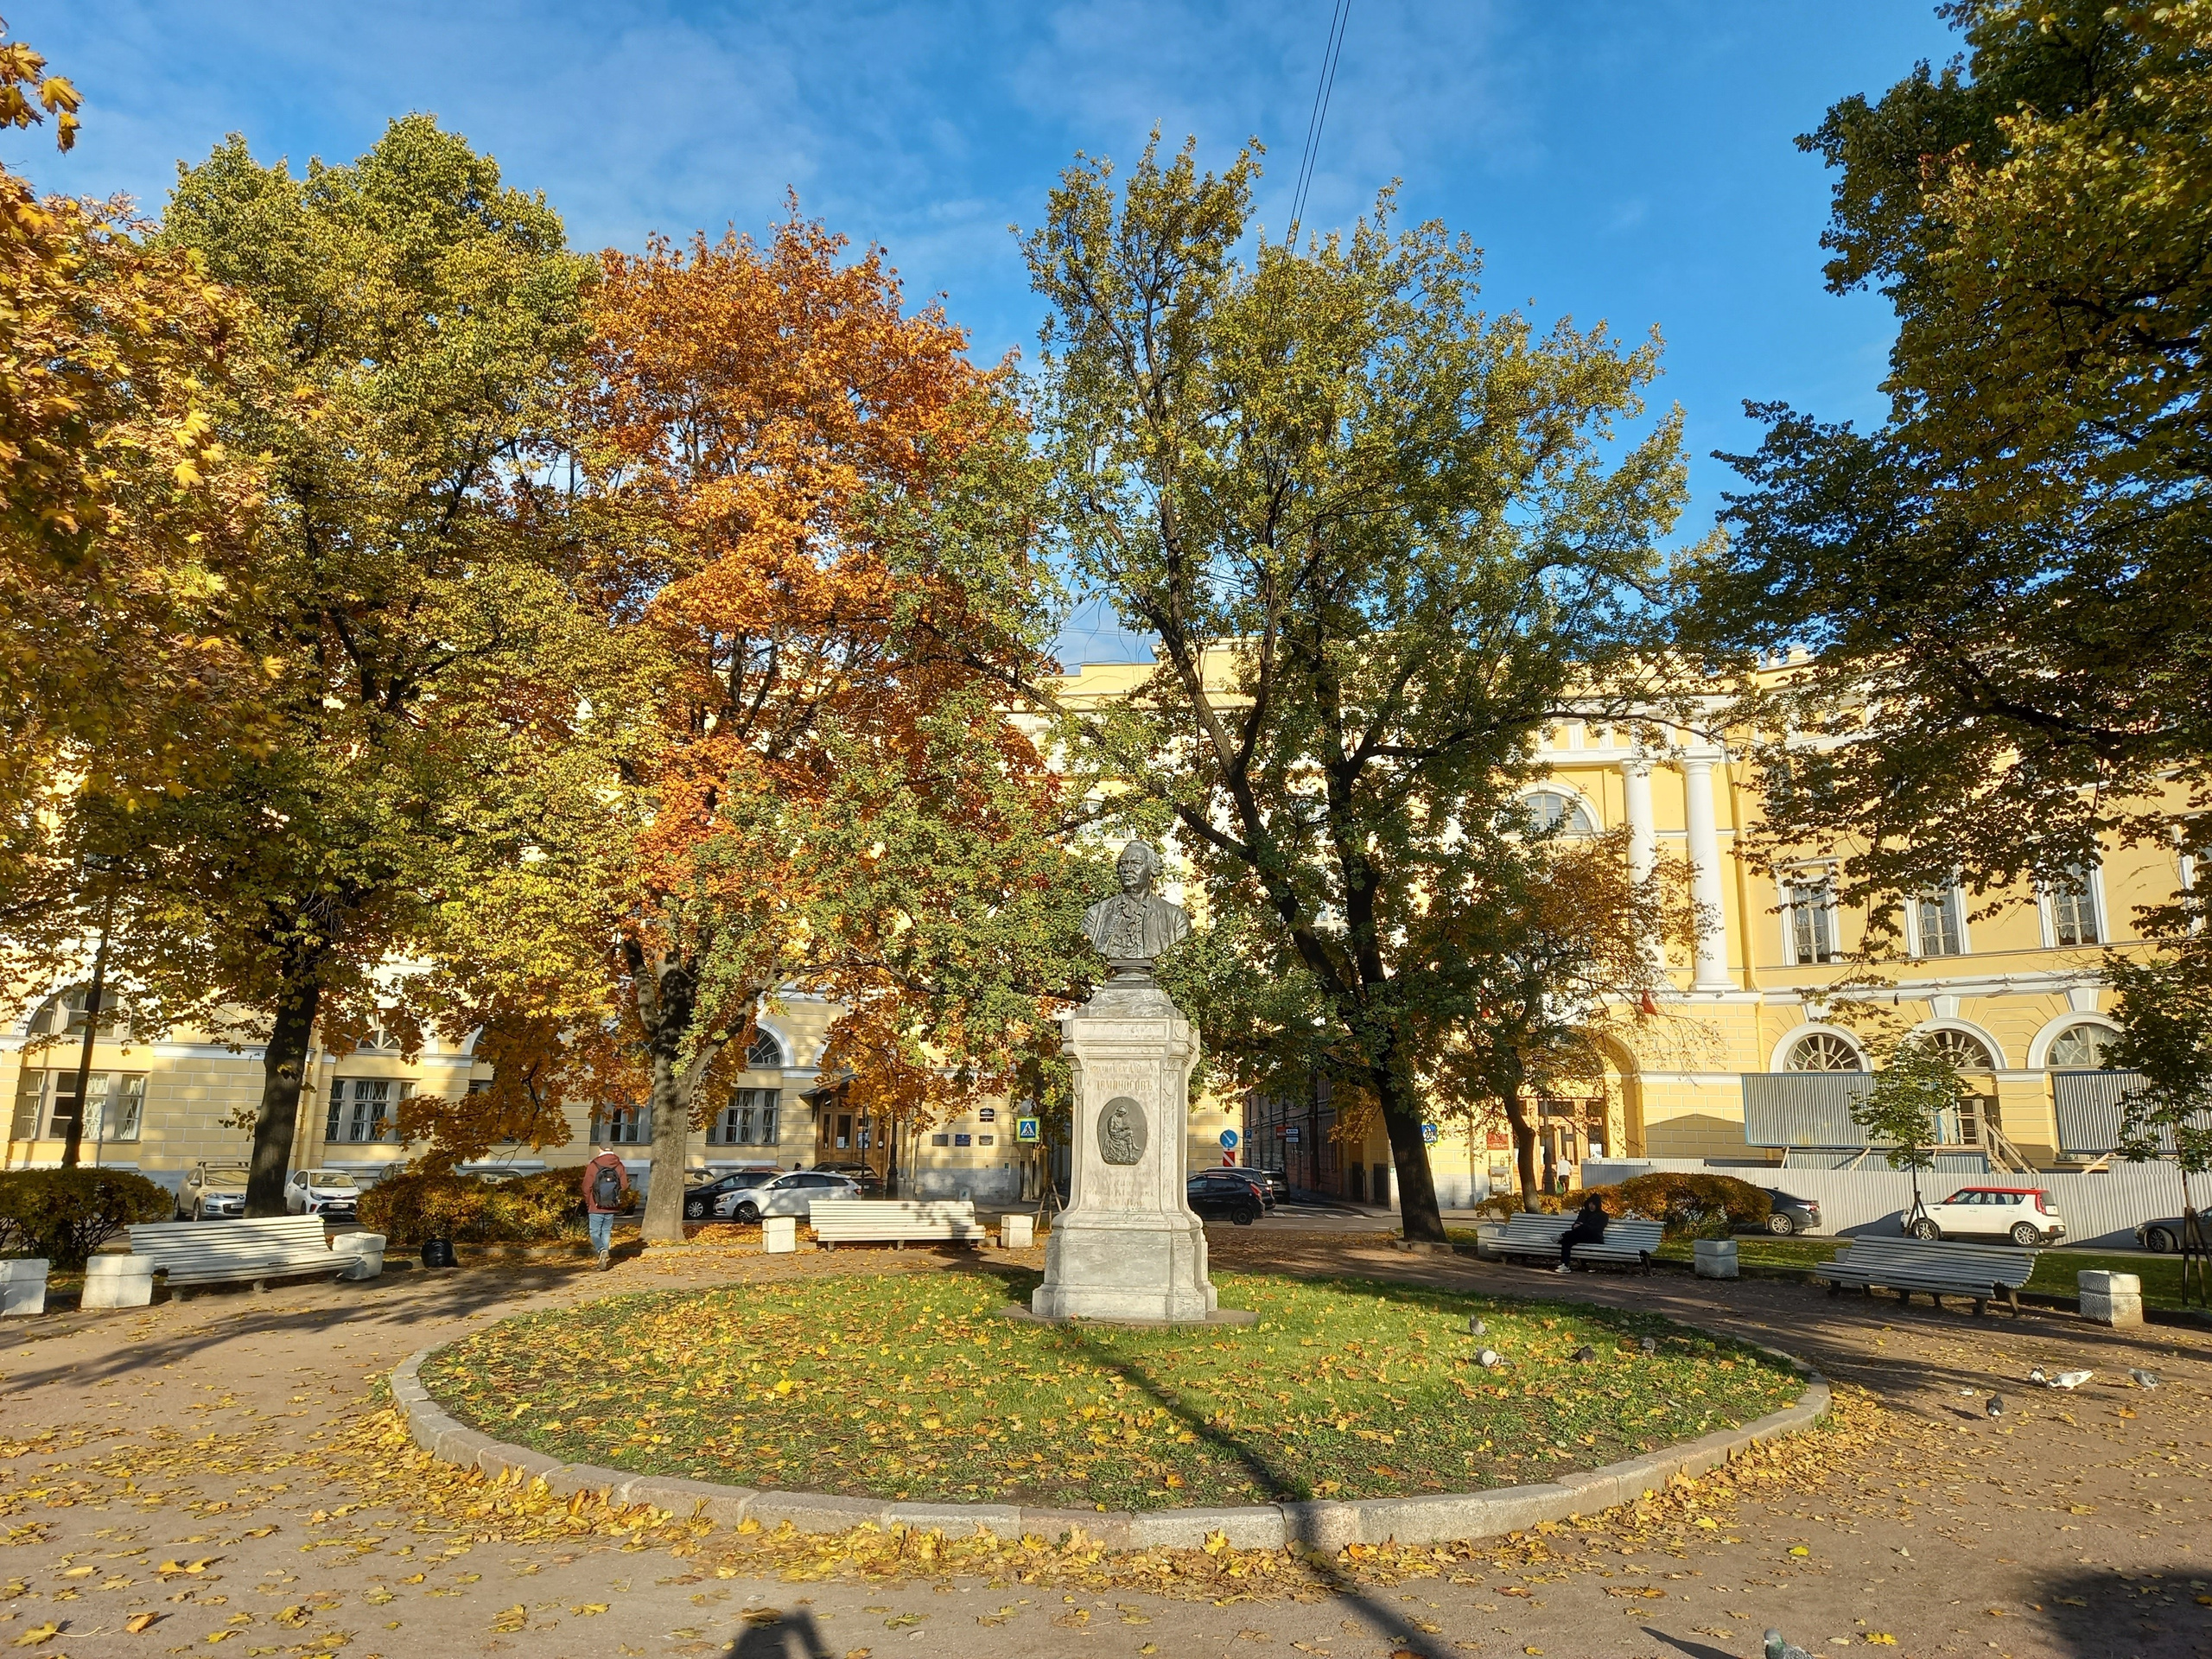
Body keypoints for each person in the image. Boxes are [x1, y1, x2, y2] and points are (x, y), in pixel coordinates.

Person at [580, 1143, 630, 1270]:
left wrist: (589, 1201)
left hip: (596, 1204)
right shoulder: (619, 1165)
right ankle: (604, 1258)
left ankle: (601, 1249)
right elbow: (624, 1186)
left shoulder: (594, 1164)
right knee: (606, 1231)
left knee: (594, 1232)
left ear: (600, 1149)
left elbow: (586, 1186)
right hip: (612, 1204)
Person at [1555, 1191, 1607, 1274]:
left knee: (1570, 1236)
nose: (1591, 1206)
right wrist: (1574, 1226)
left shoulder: (1603, 1215)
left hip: (1594, 1237)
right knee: (1567, 1241)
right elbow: (1577, 1223)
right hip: (1580, 1235)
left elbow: (1597, 1229)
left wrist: (1583, 1226)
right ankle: (1565, 1265)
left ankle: (1563, 1235)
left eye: (1594, 1204)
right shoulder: (1584, 1213)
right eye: (1590, 1204)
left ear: (1597, 1205)